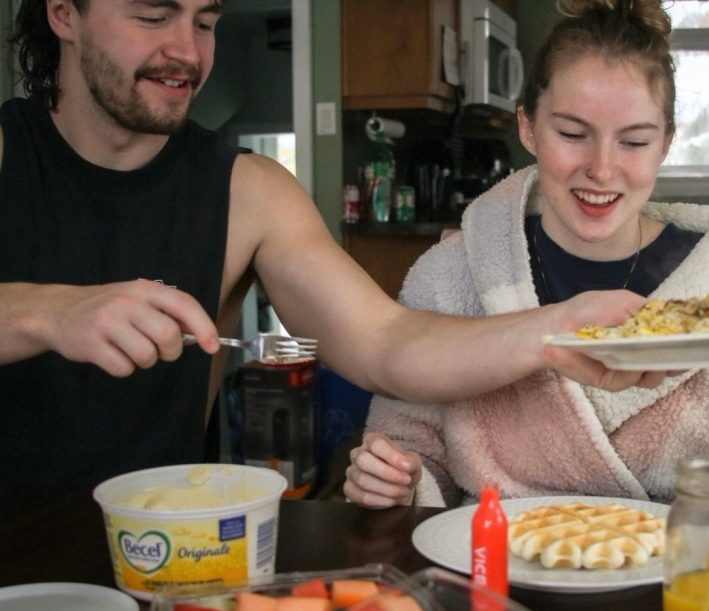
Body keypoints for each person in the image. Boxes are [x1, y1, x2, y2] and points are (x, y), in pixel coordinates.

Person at [0, 0, 667, 488]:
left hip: (167, 549)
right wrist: (46, 312)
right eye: (154, 16)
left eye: (204, 22)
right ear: (63, 12)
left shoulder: (249, 190)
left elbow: (385, 340)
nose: (187, 51)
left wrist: (558, 329)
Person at [343, 0, 709, 522]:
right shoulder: (450, 278)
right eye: (572, 134)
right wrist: (400, 480)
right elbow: (409, 450)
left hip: (678, 574)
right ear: (528, 127)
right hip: (495, 570)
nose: (602, 169)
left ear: (666, 143)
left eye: (633, 142)